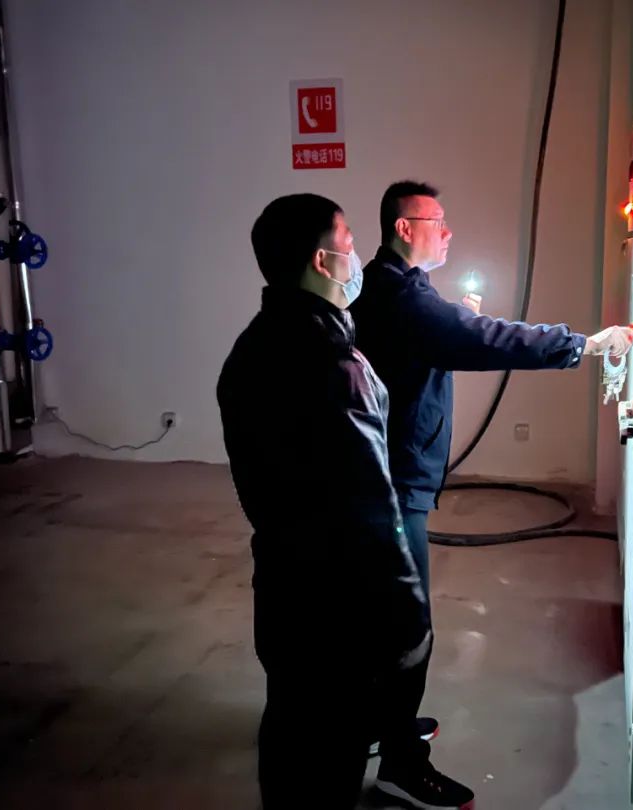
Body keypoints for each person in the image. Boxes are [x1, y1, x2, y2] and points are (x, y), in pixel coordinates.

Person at [350, 180, 633, 807]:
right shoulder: (402, 297)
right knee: (408, 628)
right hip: (396, 484)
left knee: (384, 617)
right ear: (404, 228)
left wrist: (457, 321)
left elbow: (446, 337)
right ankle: (400, 763)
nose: (448, 231)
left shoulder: (397, 290)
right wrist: (584, 345)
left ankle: (379, 723)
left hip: (392, 474)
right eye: (437, 221)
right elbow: (487, 340)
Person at [216, 193, 437, 809]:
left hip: (283, 588)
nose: (358, 255)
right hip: (340, 610)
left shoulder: (252, 347)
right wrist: (409, 620)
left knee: (290, 728)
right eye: (349, 241)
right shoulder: (334, 367)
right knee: (330, 750)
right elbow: (372, 512)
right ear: (322, 259)